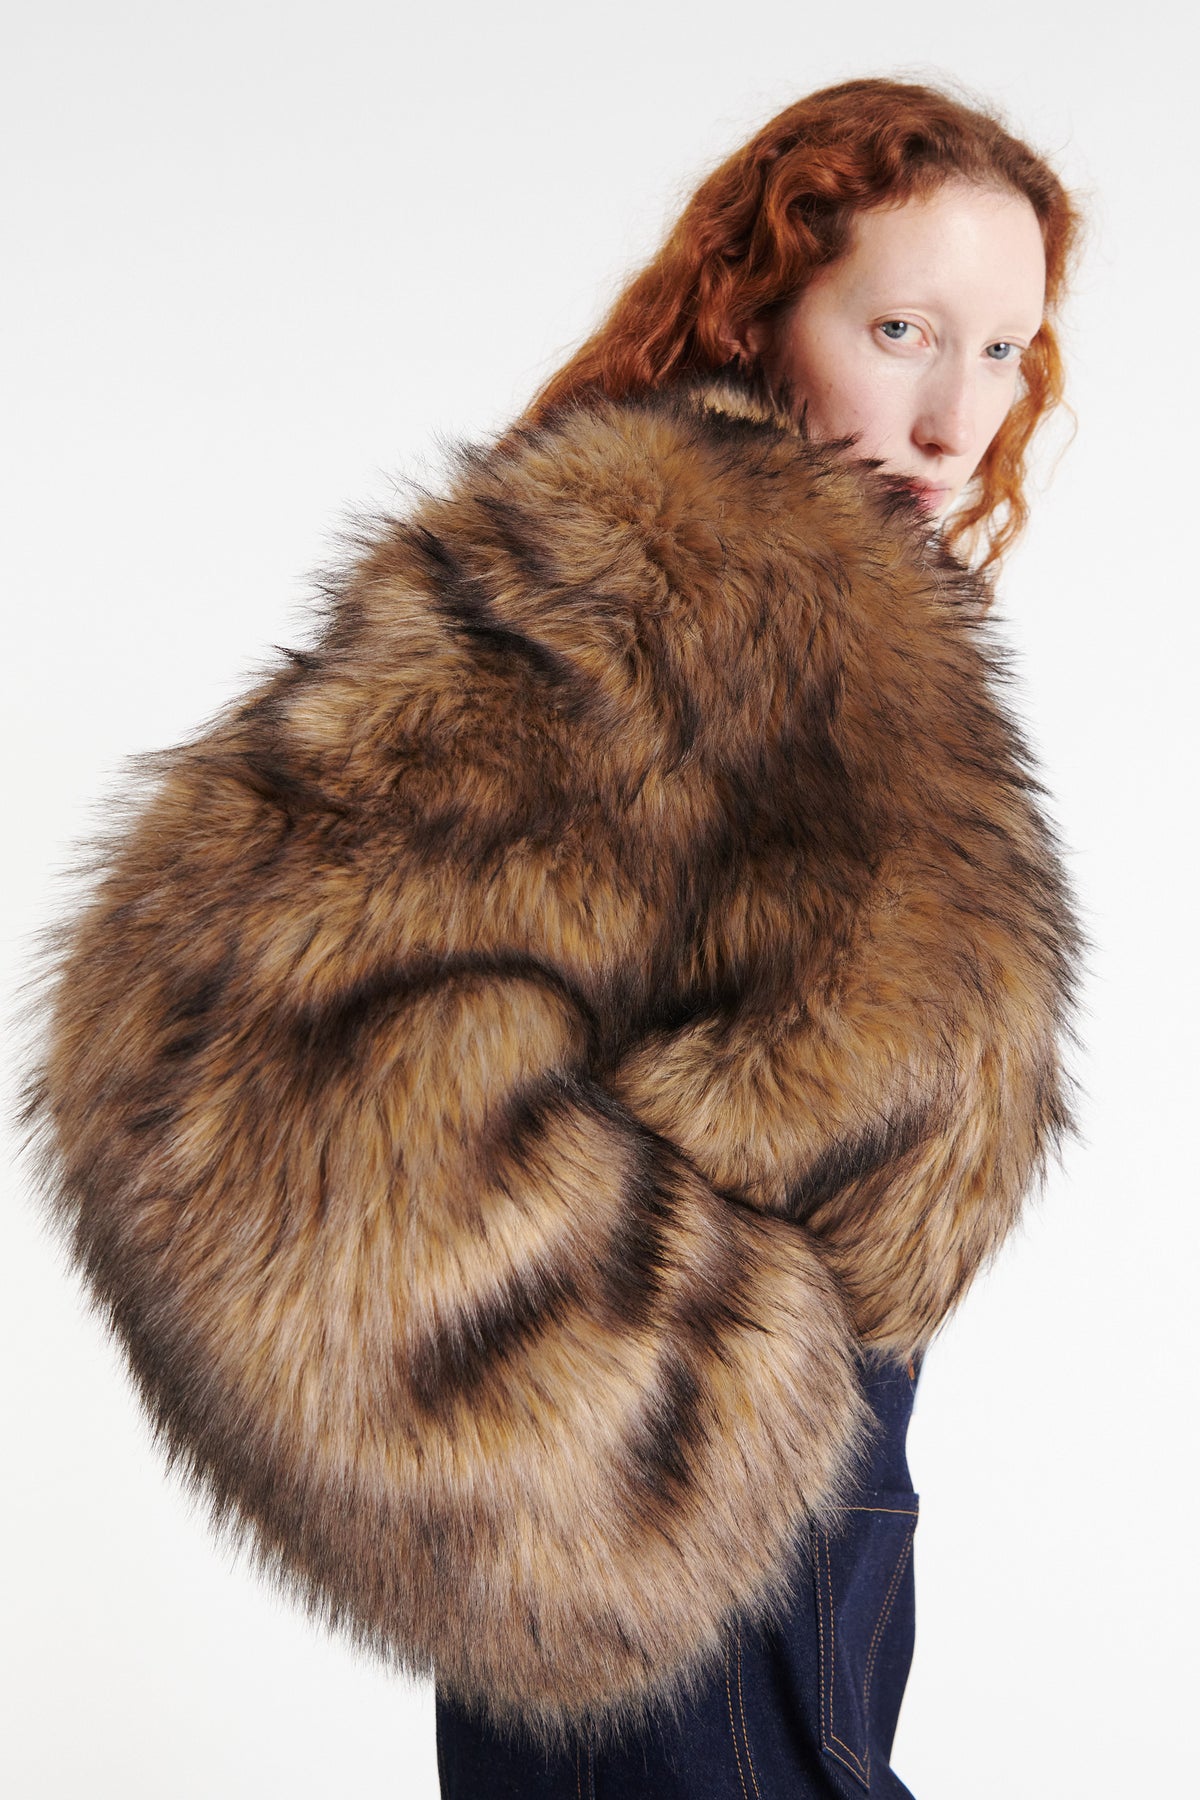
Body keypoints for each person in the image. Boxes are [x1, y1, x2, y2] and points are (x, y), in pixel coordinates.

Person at [24, 76, 1082, 1799]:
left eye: (1004, 352)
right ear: (757, 312)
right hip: (682, 1506)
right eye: (901, 330)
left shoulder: (809, 612)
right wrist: (647, 1394)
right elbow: (228, 1013)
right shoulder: (663, 585)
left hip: (763, 1500)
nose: (956, 418)